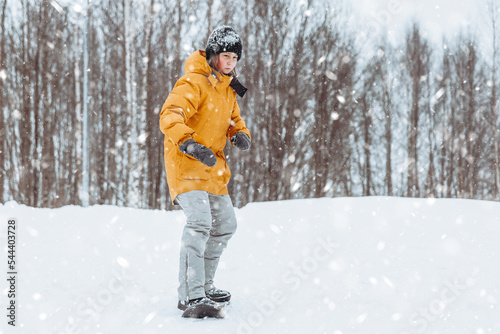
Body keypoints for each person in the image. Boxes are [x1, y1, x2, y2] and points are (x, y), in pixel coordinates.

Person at [158, 26, 251, 318]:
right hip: (186, 165)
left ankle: (205, 286)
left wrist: (239, 133)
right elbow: (169, 115)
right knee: (200, 223)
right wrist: (188, 143)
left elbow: (234, 120)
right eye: (226, 56)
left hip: (213, 170)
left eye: (235, 57)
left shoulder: (228, 89)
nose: (230, 63)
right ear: (212, 56)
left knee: (225, 224)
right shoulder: (193, 83)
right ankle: (190, 294)